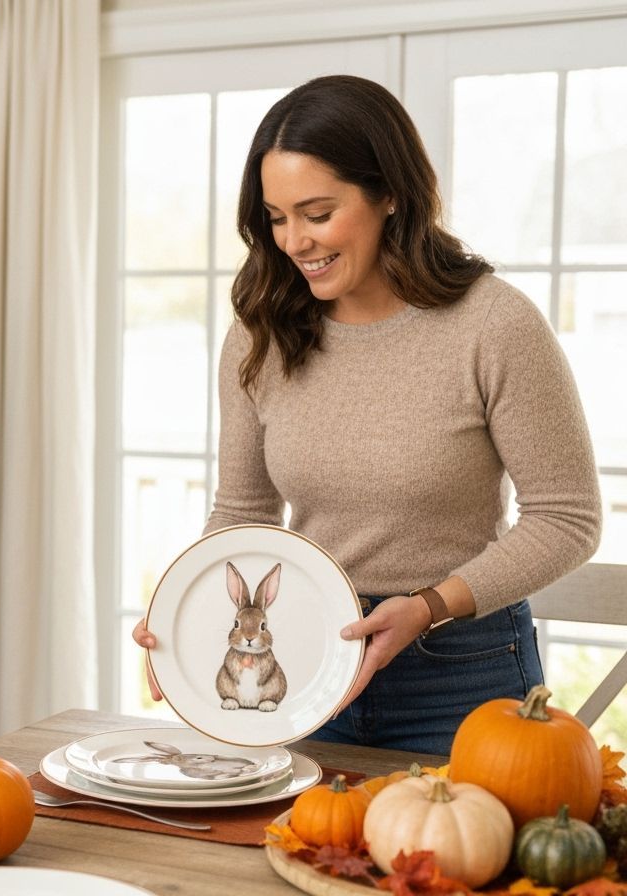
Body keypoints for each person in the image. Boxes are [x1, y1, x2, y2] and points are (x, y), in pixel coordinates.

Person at [132, 75, 601, 755]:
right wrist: (185, 615)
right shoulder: (261, 331)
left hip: (461, 674)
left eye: (317, 213)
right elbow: (243, 514)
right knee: (277, 857)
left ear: (388, 194)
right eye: (275, 217)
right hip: (303, 662)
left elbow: (568, 517)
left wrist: (430, 606)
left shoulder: (494, 325)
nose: (293, 241)